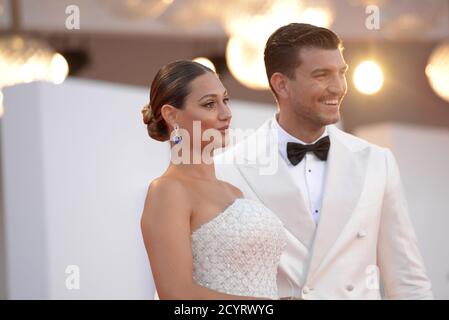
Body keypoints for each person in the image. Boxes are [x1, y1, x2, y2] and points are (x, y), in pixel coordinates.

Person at [215, 23, 433, 299]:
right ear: (281, 84)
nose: (338, 87)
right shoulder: (227, 168)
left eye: (342, 73)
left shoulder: (377, 162)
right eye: (322, 75)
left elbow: (407, 278)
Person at [140, 60, 287, 300]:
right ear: (171, 115)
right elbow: (177, 295)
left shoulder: (235, 192)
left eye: (225, 100)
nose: (226, 114)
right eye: (210, 104)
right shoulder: (167, 190)